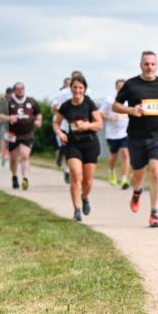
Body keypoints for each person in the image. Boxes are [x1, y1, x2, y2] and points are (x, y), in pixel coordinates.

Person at [113, 51, 158, 228]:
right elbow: (116, 105)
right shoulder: (131, 84)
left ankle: (154, 214)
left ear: (157, 65)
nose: (149, 67)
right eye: (146, 64)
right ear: (141, 65)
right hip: (136, 136)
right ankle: (137, 191)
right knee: (138, 173)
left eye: (152, 64)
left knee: (156, 170)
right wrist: (130, 110)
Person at [53, 74, 102, 221]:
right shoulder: (66, 105)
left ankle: (85, 197)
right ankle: (77, 210)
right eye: (75, 87)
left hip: (90, 143)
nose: (77, 90)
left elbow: (99, 124)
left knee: (88, 181)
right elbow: (56, 123)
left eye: (80, 88)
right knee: (76, 176)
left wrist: (87, 125)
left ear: (84, 89)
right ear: (71, 88)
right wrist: (60, 133)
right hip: (73, 144)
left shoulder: (89, 103)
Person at [0, 82, 42, 191]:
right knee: (14, 158)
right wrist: (9, 118)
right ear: (14, 90)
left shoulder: (31, 101)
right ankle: (14, 176)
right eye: (17, 89)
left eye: (22, 88)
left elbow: (38, 113)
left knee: (25, 155)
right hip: (12, 134)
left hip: (27, 134)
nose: (20, 90)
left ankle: (25, 179)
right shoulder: (8, 102)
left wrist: (39, 121)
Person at [101, 79, 131, 189]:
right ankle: (112, 172)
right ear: (116, 88)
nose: (121, 89)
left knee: (125, 154)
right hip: (112, 134)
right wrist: (109, 117)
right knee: (114, 156)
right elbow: (100, 114)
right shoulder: (109, 100)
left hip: (125, 133)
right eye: (119, 87)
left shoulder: (129, 100)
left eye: (123, 87)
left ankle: (124, 178)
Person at [0, 86, 13, 168]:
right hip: (3, 124)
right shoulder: (3, 102)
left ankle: (6, 156)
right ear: (7, 94)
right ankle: (3, 156)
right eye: (9, 94)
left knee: (10, 142)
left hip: (12, 126)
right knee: (2, 141)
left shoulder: (15, 102)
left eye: (11, 94)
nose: (10, 95)